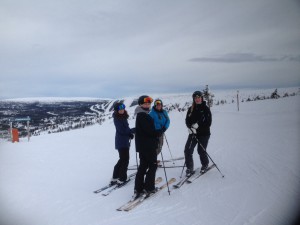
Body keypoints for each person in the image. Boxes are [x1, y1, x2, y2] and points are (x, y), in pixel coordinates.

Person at [133, 95, 161, 197]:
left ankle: (138, 188)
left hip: (143, 146)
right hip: (148, 146)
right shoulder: (143, 115)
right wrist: (158, 132)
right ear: (140, 104)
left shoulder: (141, 114)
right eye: (145, 103)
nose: (147, 105)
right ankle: (149, 188)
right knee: (153, 165)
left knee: (143, 166)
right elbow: (149, 131)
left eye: (149, 103)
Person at [184, 91, 212, 176]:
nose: (197, 99)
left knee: (201, 150)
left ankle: (205, 164)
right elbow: (187, 120)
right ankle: (189, 168)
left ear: (201, 98)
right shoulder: (191, 109)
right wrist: (190, 128)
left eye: (198, 97)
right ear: (194, 99)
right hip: (193, 133)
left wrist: (198, 126)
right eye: (195, 98)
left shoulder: (205, 109)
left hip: (204, 134)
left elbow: (208, 123)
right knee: (187, 150)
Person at [111, 102, 134, 185]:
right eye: (120, 109)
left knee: (122, 159)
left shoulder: (122, 117)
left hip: (123, 141)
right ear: (117, 110)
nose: (122, 110)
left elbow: (125, 129)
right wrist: (130, 132)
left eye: (123, 108)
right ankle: (122, 178)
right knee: (125, 160)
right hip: (122, 142)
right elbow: (122, 130)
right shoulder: (117, 118)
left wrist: (130, 132)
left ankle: (115, 176)